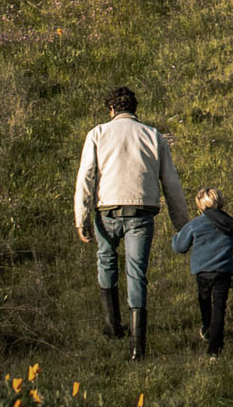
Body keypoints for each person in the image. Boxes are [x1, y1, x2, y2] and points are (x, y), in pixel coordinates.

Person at [73, 86, 190, 360]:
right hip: (141, 211)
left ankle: (112, 326)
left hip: (107, 210)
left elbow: (86, 176)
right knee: (137, 273)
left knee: (106, 260)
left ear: (111, 109)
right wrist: (181, 222)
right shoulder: (153, 135)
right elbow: (170, 182)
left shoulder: (98, 134)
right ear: (134, 109)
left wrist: (82, 217)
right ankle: (138, 347)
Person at [170, 186, 233, 359]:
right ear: (220, 202)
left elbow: (180, 247)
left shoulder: (195, 224)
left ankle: (207, 329)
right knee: (219, 308)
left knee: (205, 302)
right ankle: (214, 350)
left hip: (203, 272)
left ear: (200, 205)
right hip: (224, 272)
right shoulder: (231, 224)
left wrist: (177, 235)